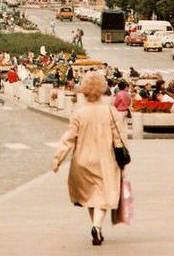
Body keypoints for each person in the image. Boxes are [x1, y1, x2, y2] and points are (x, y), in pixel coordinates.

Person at [52, 72, 124, 246]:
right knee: (103, 195)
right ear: (102, 89)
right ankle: (97, 226)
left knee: (91, 196)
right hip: (105, 159)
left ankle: (96, 226)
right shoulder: (110, 112)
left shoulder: (79, 113)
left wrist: (58, 159)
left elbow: (69, 137)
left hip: (82, 159)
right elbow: (119, 138)